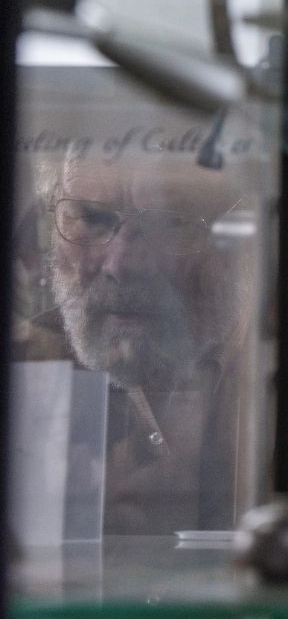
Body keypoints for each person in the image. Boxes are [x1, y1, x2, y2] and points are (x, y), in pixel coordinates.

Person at [15, 148, 254, 535]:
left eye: (172, 223)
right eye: (91, 218)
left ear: (250, 235)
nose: (122, 264)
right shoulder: (23, 366)